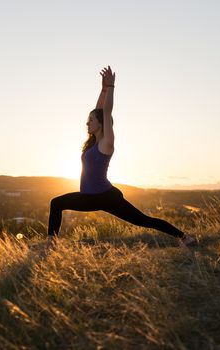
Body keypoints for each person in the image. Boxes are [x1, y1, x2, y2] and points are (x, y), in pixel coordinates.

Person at [46, 65, 196, 250]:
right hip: (88, 197)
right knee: (57, 203)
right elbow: (99, 110)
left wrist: (111, 87)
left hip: (107, 197)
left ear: (101, 124)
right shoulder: (93, 142)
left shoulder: (106, 143)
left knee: (144, 221)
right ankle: (51, 244)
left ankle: (184, 237)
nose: (87, 122)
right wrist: (102, 89)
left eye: (91, 120)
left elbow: (106, 112)